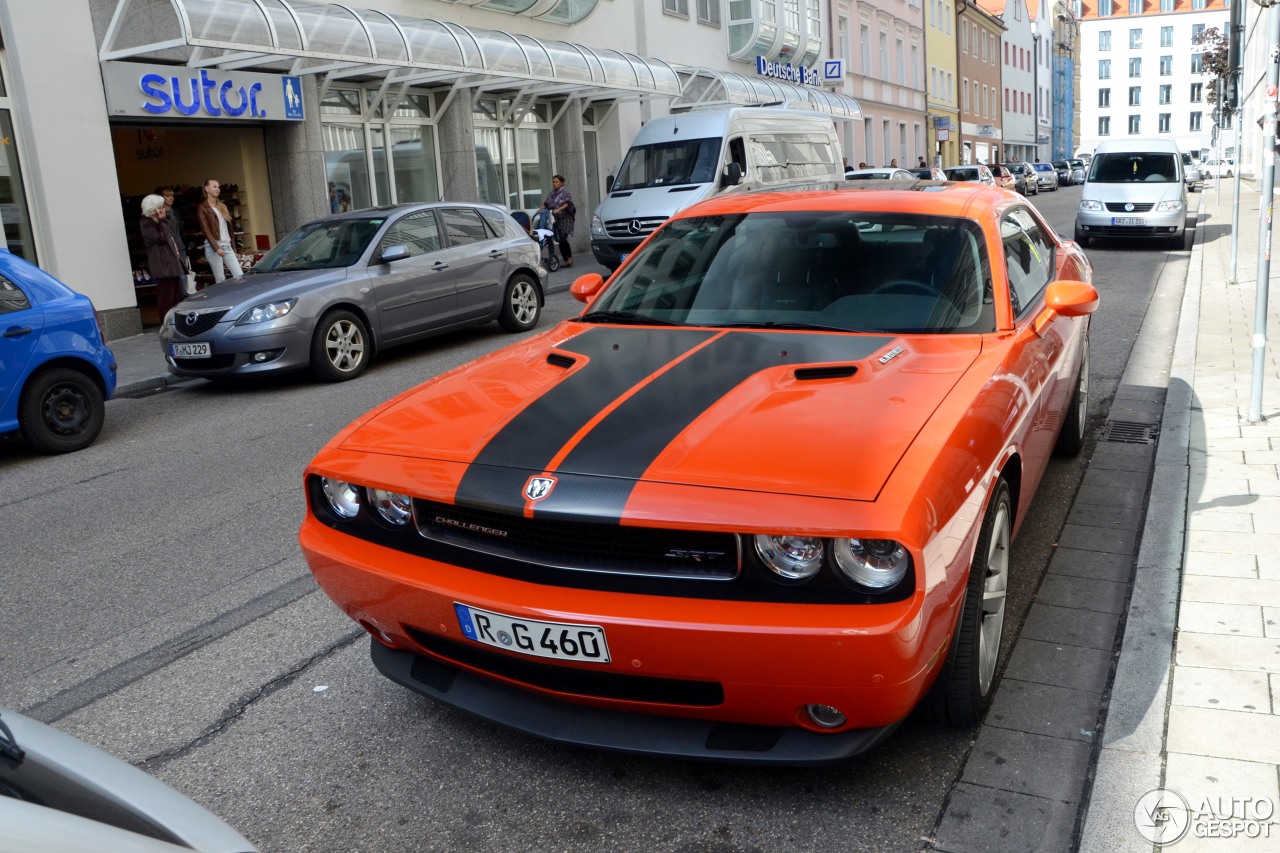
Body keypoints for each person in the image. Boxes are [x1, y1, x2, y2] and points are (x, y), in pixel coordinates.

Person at [139, 194, 187, 324]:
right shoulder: (146, 223)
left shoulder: (160, 221)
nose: (163, 209)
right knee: (166, 297)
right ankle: (166, 323)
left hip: (172, 264)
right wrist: (163, 221)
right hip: (163, 265)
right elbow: (160, 238)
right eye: (160, 207)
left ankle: (176, 321)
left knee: (177, 296)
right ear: (153, 209)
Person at [197, 177, 243, 281]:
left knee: (240, 276)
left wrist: (234, 247)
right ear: (206, 189)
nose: (217, 189)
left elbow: (229, 229)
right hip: (213, 247)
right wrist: (216, 247)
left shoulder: (222, 206)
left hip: (227, 246)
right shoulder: (202, 207)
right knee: (220, 279)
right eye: (214, 186)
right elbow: (206, 230)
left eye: (218, 187)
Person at [157, 185, 193, 295]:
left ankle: (184, 296)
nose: (171, 198)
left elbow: (179, 230)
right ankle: (182, 298)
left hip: (180, 246)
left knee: (184, 275)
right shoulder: (159, 213)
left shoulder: (175, 211)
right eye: (167, 196)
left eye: (172, 195)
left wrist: (186, 247)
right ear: (161, 198)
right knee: (178, 276)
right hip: (170, 249)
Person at [538, 174, 575, 268]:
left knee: (563, 239)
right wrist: (540, 209)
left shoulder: (565, 192)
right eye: (553, 182)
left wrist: (559, 209)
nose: (554, 184)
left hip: (565, 219)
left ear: (562, 183)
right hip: (555, 219)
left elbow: (568, 203)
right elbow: (546, 203)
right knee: (560, 239)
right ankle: (566, 260)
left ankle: (569, 259)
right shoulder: (552, 193)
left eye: (556, 182)